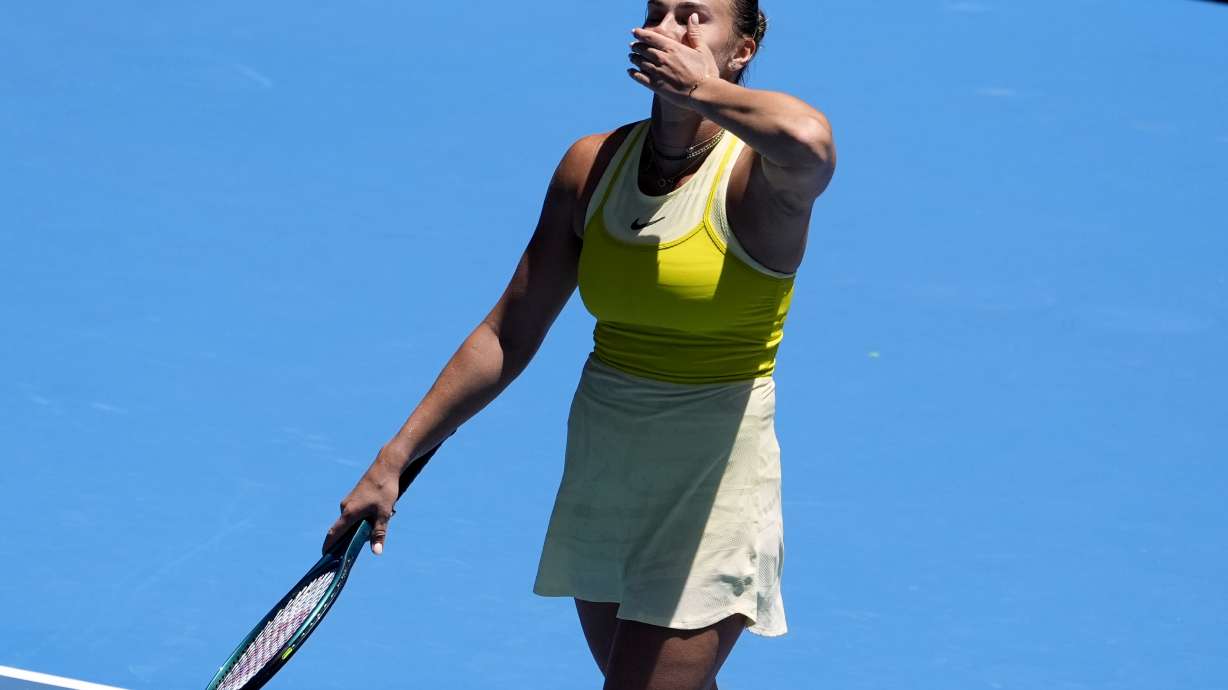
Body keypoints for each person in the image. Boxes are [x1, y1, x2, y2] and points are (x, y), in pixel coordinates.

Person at [322, 1, 835, 687]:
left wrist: (701, 90)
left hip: (714, 483)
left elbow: (811, 140)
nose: (671, 27)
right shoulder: (591, 166)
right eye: (659, 12)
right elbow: (509, 330)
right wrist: (395, 456)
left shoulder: (759, 178)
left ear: (740, 52)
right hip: (606, 469)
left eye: (696, 17)